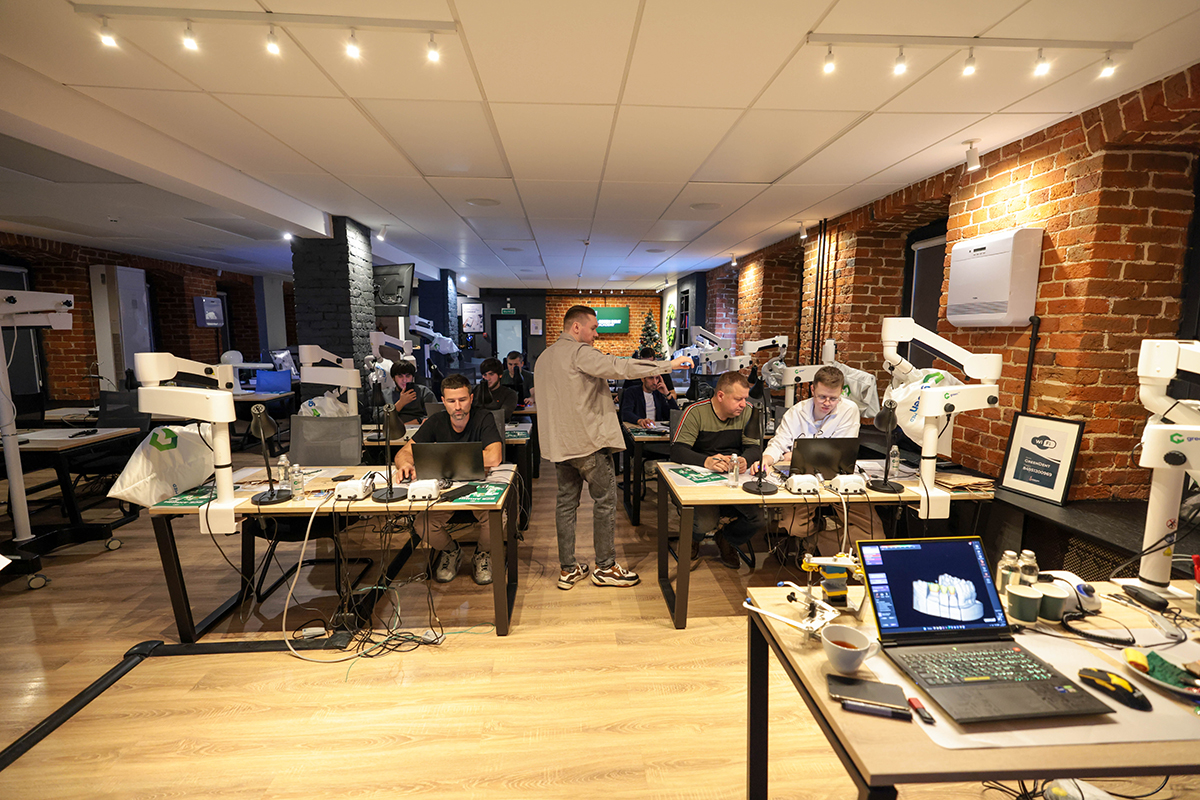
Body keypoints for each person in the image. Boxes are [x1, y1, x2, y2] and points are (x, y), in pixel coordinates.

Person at [536, 305, 693, 590]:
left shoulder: (544, 358)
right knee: (605, 503)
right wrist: (668, 365)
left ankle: (568, 569)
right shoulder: (580, 352)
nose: (596, 334)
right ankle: (606, 567)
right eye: (593, 328)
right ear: (576, 327)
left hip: (560, 446)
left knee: (566, 506)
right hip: (589, 444)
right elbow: (621, 366)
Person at [751, 365, 875, 556]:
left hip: (838, 479)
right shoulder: (796, 412)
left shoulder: (849, 409)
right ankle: (812, 536)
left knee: (873, 532)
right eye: (822, 397)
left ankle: (815, 542)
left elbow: (841, 450)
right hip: (803, 479)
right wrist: (766, 460)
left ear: (841, 393)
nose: (827, 403)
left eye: (833, 398)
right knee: (794, 526)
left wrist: (796, 455)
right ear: (812, 390)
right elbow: (778, 444)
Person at [394, 373, 503, 585]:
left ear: (471, 398)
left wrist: (443, 457)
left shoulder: (484, 418)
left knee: (497, 518)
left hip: (477, 487)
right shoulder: (436, 421)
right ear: (443, 401)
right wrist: (405, 464)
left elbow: (494, 457)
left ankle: (482, 554)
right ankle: (451, 551)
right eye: (452, 401)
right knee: (422, 524)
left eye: (462, 400)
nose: (458, 407)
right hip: (444, 491)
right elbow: (403, 453)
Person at [670, 371, 764, 570]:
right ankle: (694, 538)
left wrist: (745, 460)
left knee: (759, 518)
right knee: (706, 522)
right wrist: (706, 461)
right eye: (738, 399)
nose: (743, 404)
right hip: (701, 478)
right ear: (720, 396)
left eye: (745, 399)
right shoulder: (696, 412)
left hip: (733, 478)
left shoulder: (747, 411)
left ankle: (726, 539)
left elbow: (755, 448)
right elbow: (677, 451)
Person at [473, 358, 519, 423]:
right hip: (476, 426)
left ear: (500, 375)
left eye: (491, 374)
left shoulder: (509, 394)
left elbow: (503, 415)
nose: (487, 378)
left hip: (498, 426)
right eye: (485, 375)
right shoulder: (475, 390)